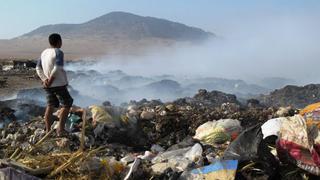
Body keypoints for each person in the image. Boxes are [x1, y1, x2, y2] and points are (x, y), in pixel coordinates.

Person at [36, 33, 73, 136]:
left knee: (50, 105)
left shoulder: (44, 53)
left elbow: (38, 68)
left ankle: (48, 130)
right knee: (67, 104)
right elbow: (57, 68)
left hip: (47, 85)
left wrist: (44, 80)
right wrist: (51, 80)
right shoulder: (59, 52)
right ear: (59, 41)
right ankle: (60, 130)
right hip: (58, 84)